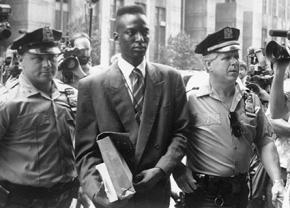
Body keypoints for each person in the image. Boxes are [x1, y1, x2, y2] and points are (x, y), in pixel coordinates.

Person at [75, 5, 190, 208]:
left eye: (145, 32)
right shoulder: (92, 87)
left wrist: (162, 169)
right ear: (116, 36)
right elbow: (86, 153)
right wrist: (98, 193)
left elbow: (181, 133)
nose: (140, 38)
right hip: (114, 198)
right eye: (131, 32)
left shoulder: (171, 79)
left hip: (155, 194)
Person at [173, 27, 284, 208]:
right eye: (226, 58)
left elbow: (264, 141)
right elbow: (169, 138)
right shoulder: (191, 100)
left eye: (235, 56)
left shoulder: (251, 100)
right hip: (203, 197)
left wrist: (277, 181)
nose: (234, 62)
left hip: (239, 195)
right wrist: (177, 169)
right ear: (208, 65)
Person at [0, 26, 78, 208]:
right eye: (38, 58)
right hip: (21, 200)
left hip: (66, 199)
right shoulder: (8, 103)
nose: (47, 64)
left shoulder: (70, 96)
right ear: (20, 59)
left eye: (51, 57)